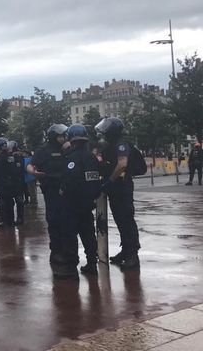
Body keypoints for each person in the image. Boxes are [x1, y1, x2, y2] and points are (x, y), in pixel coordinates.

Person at [96, 117, 140, 270]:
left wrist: (110, 181)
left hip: (122, 188)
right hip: (116, 189)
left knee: (127, 221)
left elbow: (122, 165)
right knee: (121, 221)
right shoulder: (112, 145)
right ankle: (126, 251)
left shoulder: (121, 145)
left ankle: (132, 255)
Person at [57, 125, 101, 279]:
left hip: (72, 202)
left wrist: (63, 190)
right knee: (88, 233)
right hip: (88, 202)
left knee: (69, 234)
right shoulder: (91, 157)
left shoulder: (73, 157)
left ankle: (70, 266)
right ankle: (91, 263)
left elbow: (70, 179)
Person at [27, 124, 68, 264]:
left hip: (67, 189)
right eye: (61, 136)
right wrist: (33, 172)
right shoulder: (43, 151)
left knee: (67, 220)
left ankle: (67, 249)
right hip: (51, 189)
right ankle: (56, 250)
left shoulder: (67, 149)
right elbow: (31, 165)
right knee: (54, 220)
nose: (63, 139)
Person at [0, 138, 25, 227]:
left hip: (3, 184)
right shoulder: (13, 157)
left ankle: (4, 221)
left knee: (3, 202)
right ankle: (11, 221)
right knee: (10, 202)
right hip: (13, 183)